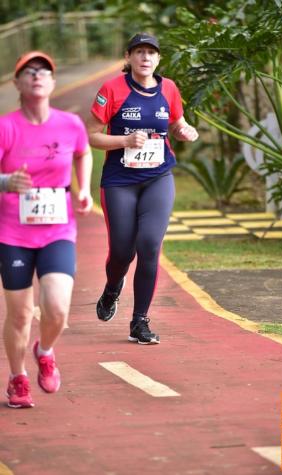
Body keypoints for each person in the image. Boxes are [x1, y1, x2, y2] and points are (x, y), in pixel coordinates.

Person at [87, 33, 198, 345]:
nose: (145, 58)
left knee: (149, 245)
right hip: (120, 181)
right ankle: (112, 288)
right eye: (139, 52)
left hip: (158, 178)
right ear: (129, 57)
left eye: (151, 53)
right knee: (122, 252)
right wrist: (124, 140)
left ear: (158, 59)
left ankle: (140, 322)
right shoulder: (112, 89)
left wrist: (184, 130)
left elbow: (176, 123)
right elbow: (92, 135)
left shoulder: (170, 89)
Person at [0, 51, 93, 408]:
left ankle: (46, 349)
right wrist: (7, 181)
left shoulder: (70, 124)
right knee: (21, 313)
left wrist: (82, 189)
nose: (37, 76)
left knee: (56, 308)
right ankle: (17, 377)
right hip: (12, 233)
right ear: (18, 83)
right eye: (29, 71)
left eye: (44, 72)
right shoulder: (6, 126)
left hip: (57, 228)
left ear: (53, 83)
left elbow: (83, 153)